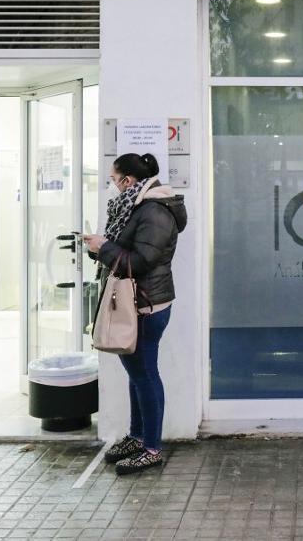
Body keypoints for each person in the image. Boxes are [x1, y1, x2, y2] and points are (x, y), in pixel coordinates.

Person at [82, 153, 188, 476]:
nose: (113, 187)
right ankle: (138, 436)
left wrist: (104, 248)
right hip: (138, 301)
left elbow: (140, 261)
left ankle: (151, 448)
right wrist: (99, 246)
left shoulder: (154, 210)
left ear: (128, 181)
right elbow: (124, 248)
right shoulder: (137, 205)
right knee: (137, 373)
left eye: (114, 180)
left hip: (145, 304)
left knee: (144, 374)